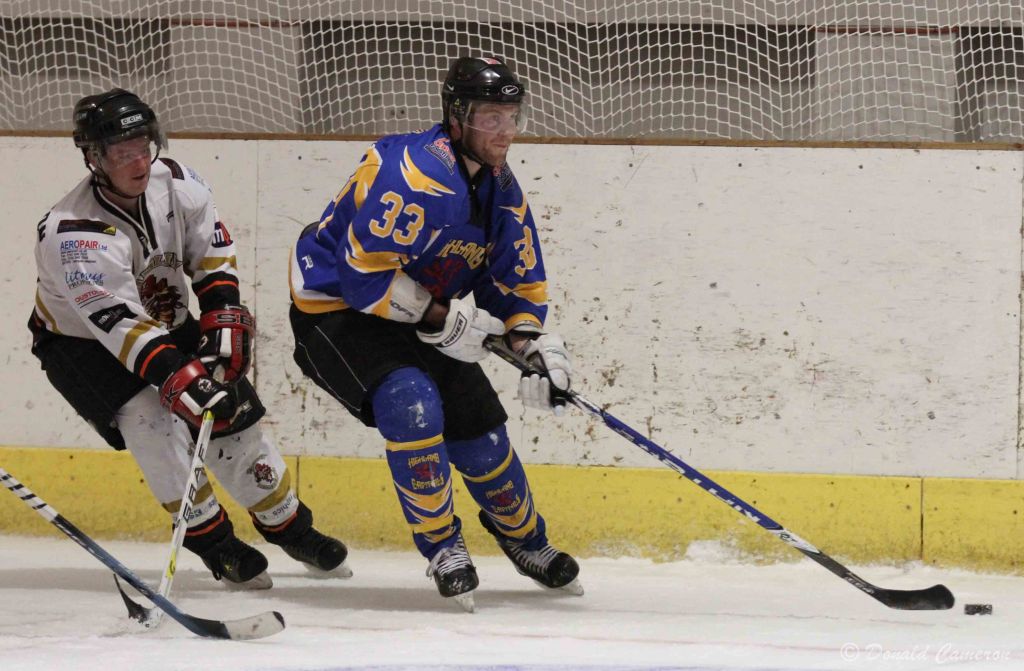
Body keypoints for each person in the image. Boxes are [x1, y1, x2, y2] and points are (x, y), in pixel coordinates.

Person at [288, 56, 581, 610]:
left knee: (482, 433)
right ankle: (444, 547)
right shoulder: (415, 173)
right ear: (457, 116)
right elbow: (362, 277)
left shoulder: (501, 189)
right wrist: (441, 317)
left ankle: (526, 541)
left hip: (418, 312)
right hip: (335, 312)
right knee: (412, 402)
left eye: (511, 117)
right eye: (491, 118)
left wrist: (532, 346)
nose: (505, 132)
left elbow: (514, 282)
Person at [29, 88, 350, 590]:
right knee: (153, 422)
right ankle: (217, 546)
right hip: (84, 346)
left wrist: (222, 316)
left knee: (232, 417)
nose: (139, 162)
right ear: (94, 157)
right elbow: (119, 325)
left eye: (143, 146)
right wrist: (179, 377)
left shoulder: (178, 182)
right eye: (122, 152)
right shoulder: (73, 232)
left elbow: (212, 253)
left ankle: (290, 527)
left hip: (165, 319)